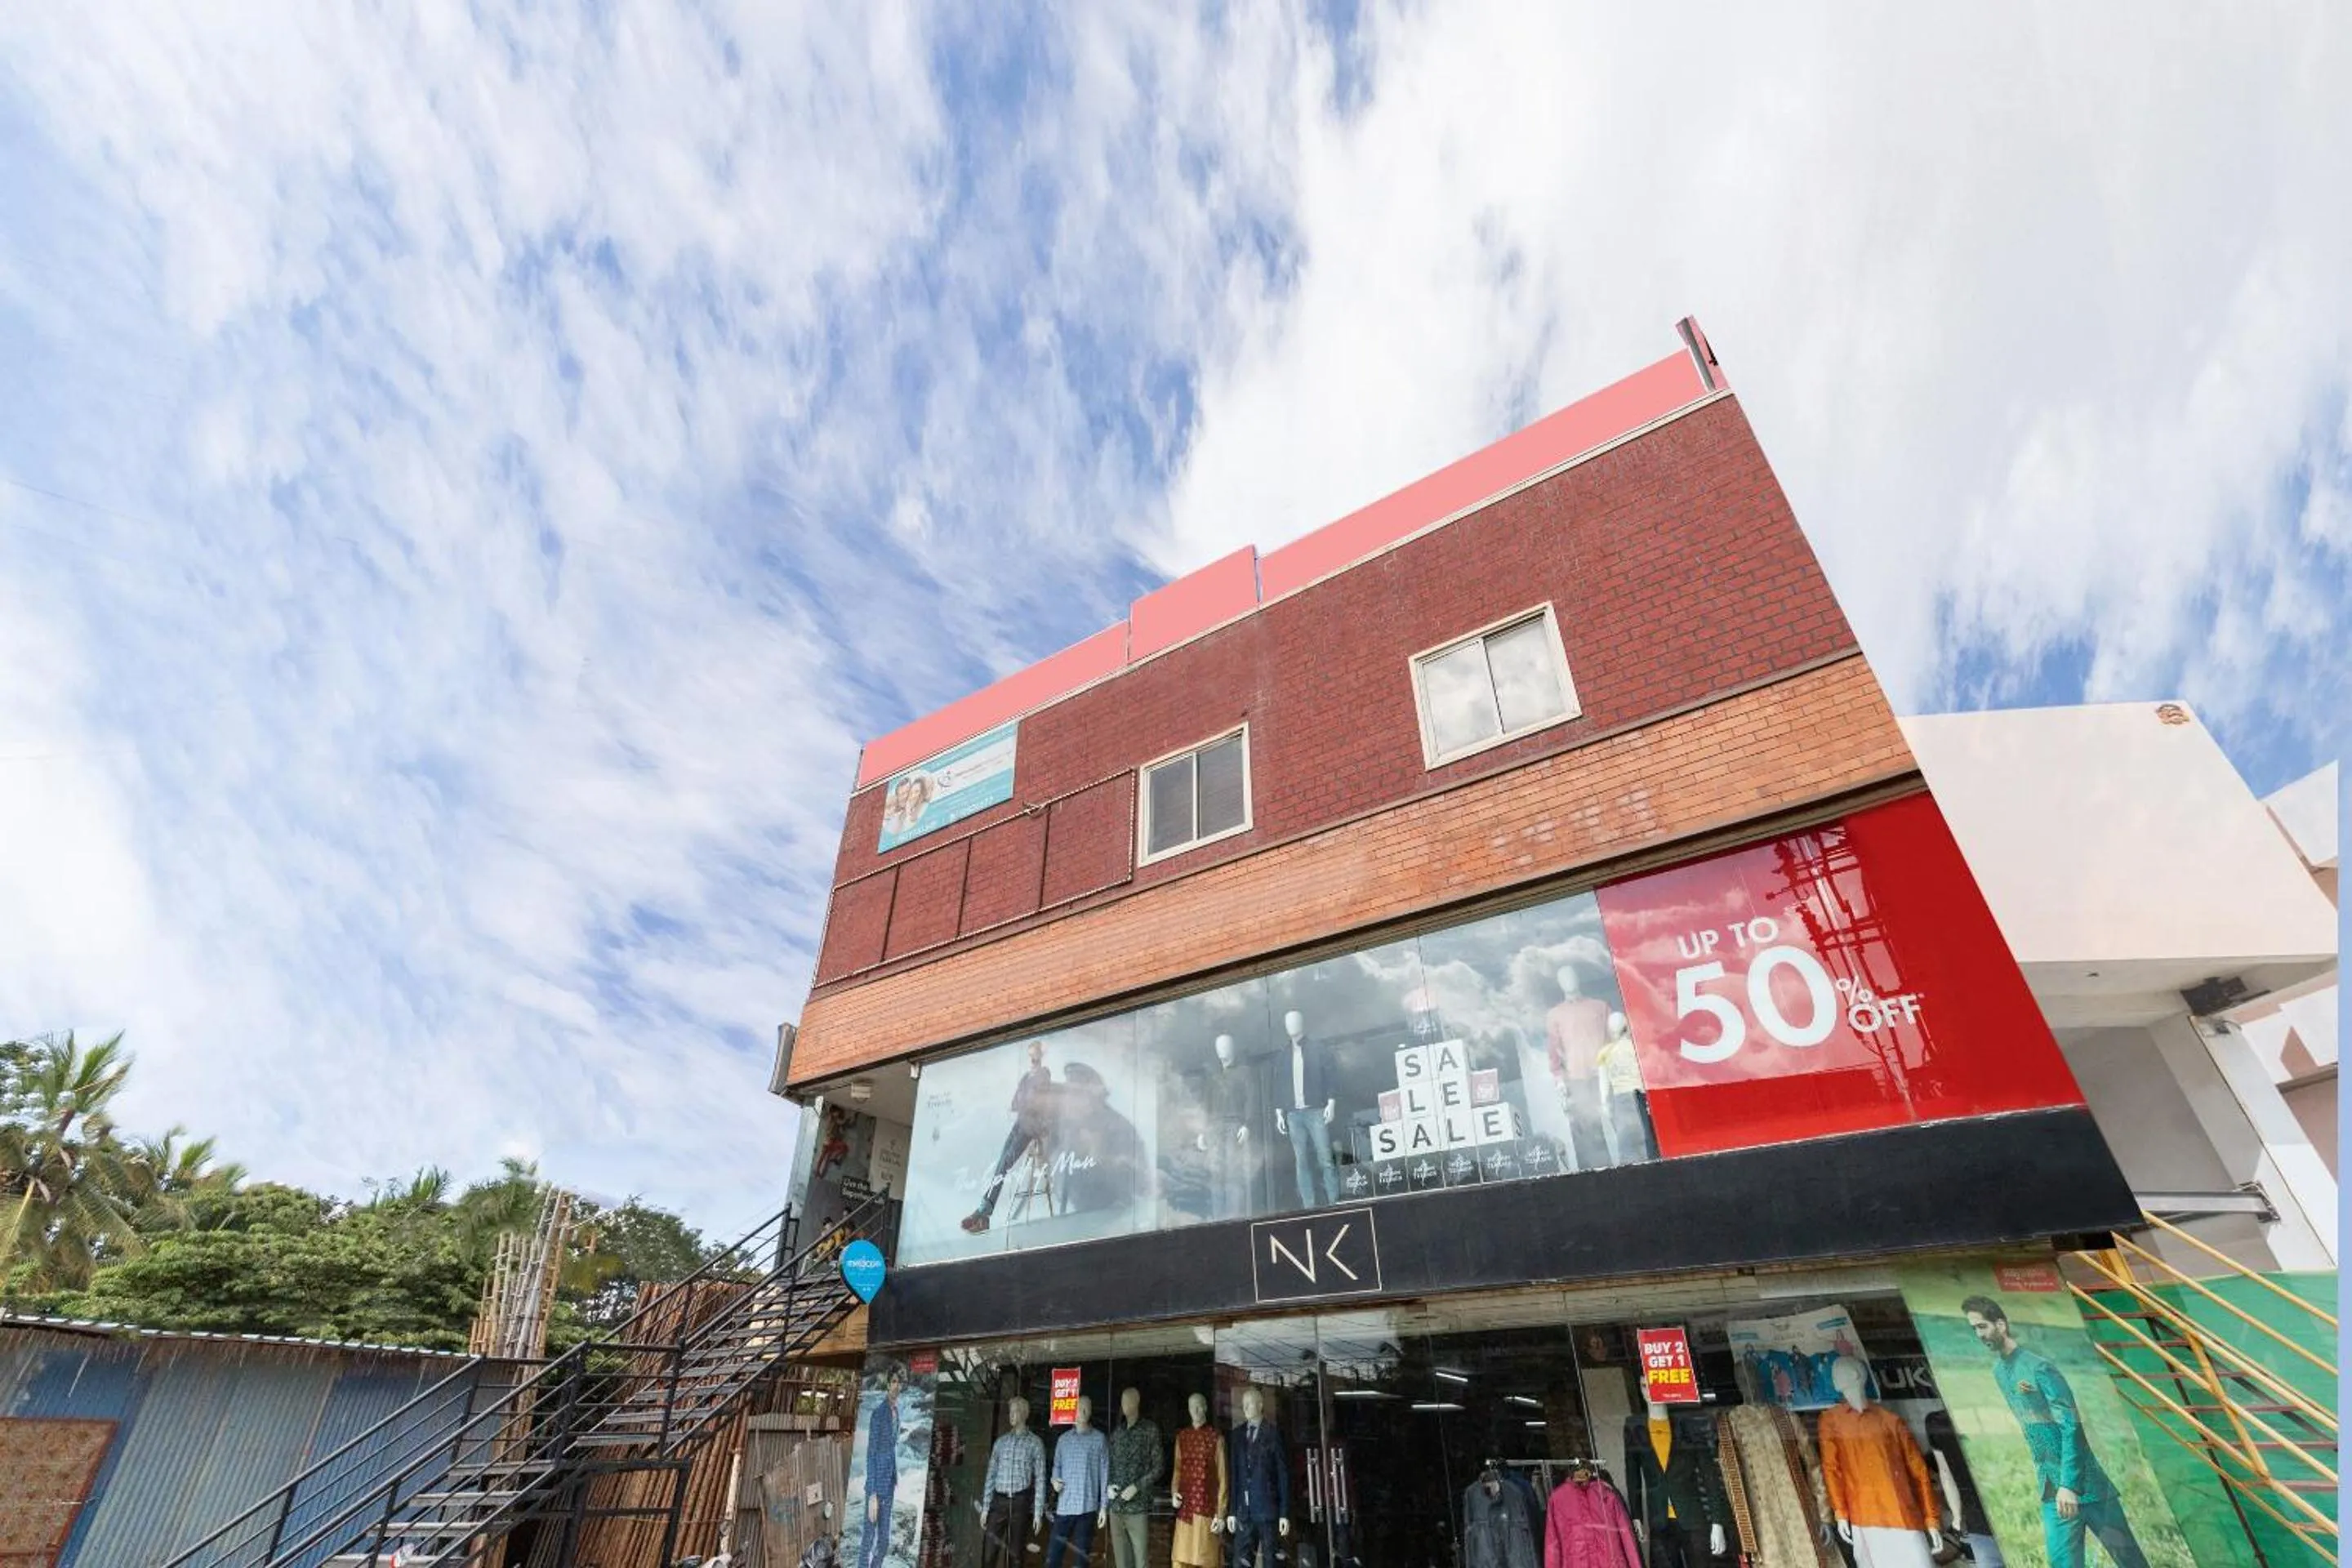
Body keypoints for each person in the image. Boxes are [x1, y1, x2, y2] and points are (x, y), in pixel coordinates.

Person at [1962, 1296, 2150, 1568]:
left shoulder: (2039, 1367)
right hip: (2051, 1487)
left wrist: (2069, 1485)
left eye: (1982, 1326)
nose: (1979, 1335)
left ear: (2000, 1325)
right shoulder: (1999, 1372)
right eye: (1974, 1329)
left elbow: (2071, 1425)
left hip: (2088, 1486)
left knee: (2130, 1561)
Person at [964, 1041, 1057, 1234]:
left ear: (1040, 1056)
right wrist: (1020, 1102)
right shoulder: (1026, 1077)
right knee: (1001, 1162)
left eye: (1035, 1055)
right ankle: (984, 1214)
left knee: (1005, 1163)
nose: (1032, 1060)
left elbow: (1039, 1102)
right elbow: (1016, 1102)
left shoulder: (1043, 1075)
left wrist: (1029, 1107)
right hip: (1020, 1122)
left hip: (1030, 1125)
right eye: (1030, 1056)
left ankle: (983, 1211)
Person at [861, 1367, 904, 1568]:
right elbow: (871, 1453)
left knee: (884, 1540)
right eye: (893, 1382)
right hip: (876, 1486)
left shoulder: (897, 1411)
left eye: (899, 1382)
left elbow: (891, 1446)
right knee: (868, 1540)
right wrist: (872, 1494)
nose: (896, 1386)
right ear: (887, 1385)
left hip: (889, 1482)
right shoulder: (879, 1413)